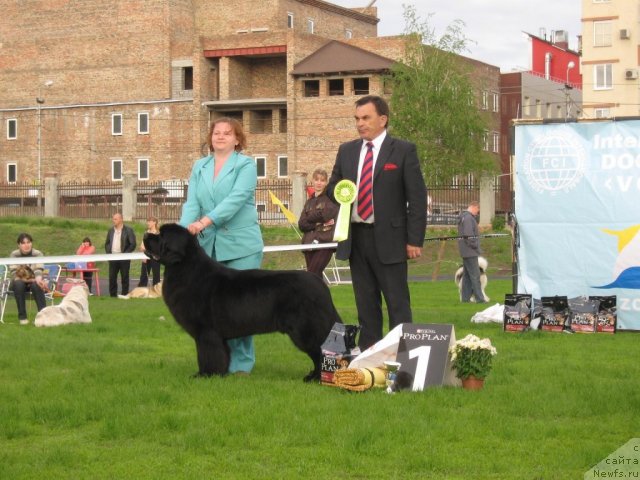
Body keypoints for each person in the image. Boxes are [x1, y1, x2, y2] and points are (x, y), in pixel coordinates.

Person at [327, 95, 427, 350]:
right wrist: (340, 190)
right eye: (357, 119)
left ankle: (403, 356)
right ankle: (369, 356)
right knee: (365, 303)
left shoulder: (403, 150)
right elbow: (332, 189)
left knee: (397, 303)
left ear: (383, 119)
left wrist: (414, 239)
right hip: (356, 239)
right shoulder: (346, 150)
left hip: (391, 240)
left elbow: (417, 198)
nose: (360, 124)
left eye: (366, 118)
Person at [180, 116, 264, 375]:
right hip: (209, 247)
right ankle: (217, 363)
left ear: (237, 139)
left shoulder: (246, 165)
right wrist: (183, 232)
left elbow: (236, 200)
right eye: (217, 132)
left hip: (241, 245)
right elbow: (192, 202)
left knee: (241, 309)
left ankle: (241, 365)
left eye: (227, 133)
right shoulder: (200, 166)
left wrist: (204, 222)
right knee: (212, 311)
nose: (221, 136)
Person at [298, 168, 339, 278]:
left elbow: (326, 215)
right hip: (308, 243)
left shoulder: (330, 199)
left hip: (324, 243)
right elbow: (301, 224)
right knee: (316, 279)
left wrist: (310, 218)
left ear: (326, 182)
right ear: (313, 181)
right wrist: (317, 223)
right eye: (317, 180)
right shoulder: (309, 201)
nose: (319, 183)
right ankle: (320, 295)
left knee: (311, 275)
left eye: (322, 180)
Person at [9, 233, 47, 325]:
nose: (26, 245)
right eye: (23, 243)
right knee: (18, 284)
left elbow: (38, 270)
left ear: (31, 243)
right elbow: (15, 275)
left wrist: (37, 279)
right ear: (19, 245)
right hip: (19, 282)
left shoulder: (38, 254)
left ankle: (43, 317)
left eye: (28, 242)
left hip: (34, 281)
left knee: (36, 284)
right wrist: (29, 280)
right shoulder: (14, 255)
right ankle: (23, 318)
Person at [457, 200, 486, 303]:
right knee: (475, 275)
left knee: (467, 276)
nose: (478, 212)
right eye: (478, 209)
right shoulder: (469, 218)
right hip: (470, 251)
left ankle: (465, 299)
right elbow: (468, 235)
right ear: (474, 207)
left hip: (465, 251)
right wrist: (475, 246)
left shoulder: (464, 217)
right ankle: (479, 298)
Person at [105, 212, 137, 297]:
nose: (113, 220)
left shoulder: (128, 230)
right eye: (113, 219)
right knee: (112, 277)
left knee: (124, 277)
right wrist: (109, 253)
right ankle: (112, 295)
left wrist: (125, 254)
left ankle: (124, 294)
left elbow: (133, 244)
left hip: (124, 258)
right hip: (113, 257)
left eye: (115, 219)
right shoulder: (111, 230)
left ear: (121, 219)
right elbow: (107, 243)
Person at [138, 216, 161, 287]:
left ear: (154, 222)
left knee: (156, 275)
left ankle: (156, 291)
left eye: (150, 221)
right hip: (146, 256)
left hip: (155, 257)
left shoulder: (158, 233)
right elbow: (142, 246)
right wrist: (144, 254)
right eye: (147, 221)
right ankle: (141, 289)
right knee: (144, 275)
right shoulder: (146, 233)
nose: (148, 223)